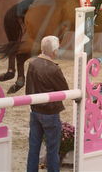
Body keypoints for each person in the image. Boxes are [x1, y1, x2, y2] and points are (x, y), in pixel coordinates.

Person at [25, 36, 69, 172]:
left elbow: (28, 89)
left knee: (33, 148)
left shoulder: (32, 64)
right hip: (50, 113)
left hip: (35, 111)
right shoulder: (54, 69)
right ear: (54, 51)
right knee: (52, 150)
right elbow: (64, 90)